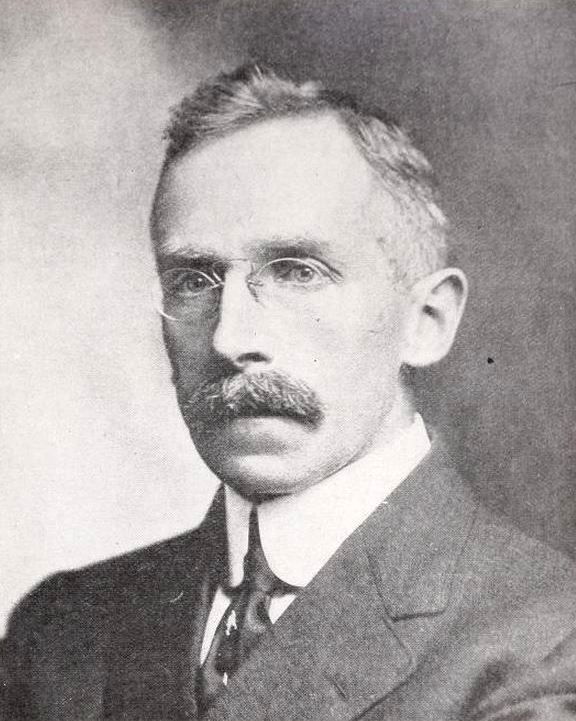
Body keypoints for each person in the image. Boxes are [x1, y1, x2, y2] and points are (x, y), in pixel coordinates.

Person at [4, 65, 576, 721]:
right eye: (192, 280)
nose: (230, 338)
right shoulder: (59, 633)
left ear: (426, 321)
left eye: (297, 272)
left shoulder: (547, 644)